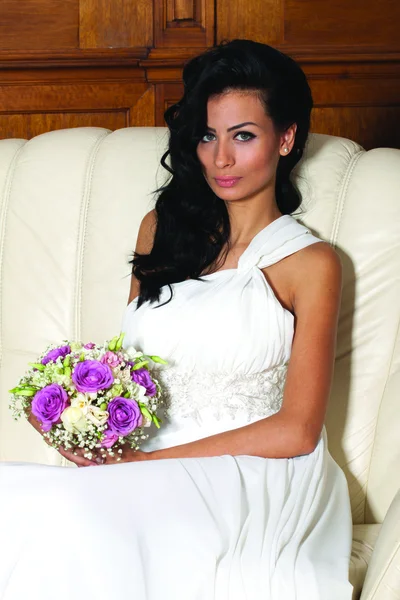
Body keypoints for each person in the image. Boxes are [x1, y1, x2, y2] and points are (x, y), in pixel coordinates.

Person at [0, 39, 353, 599]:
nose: (221, 159)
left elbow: (298, 430)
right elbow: (131, 371)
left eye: (244, 136)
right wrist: (84, 427)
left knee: (59, 514)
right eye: (208, 135)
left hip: (251, 475)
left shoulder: (310, 264)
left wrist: (147, 463)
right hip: (145, 466)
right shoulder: (160, 231)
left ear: (286, 139)